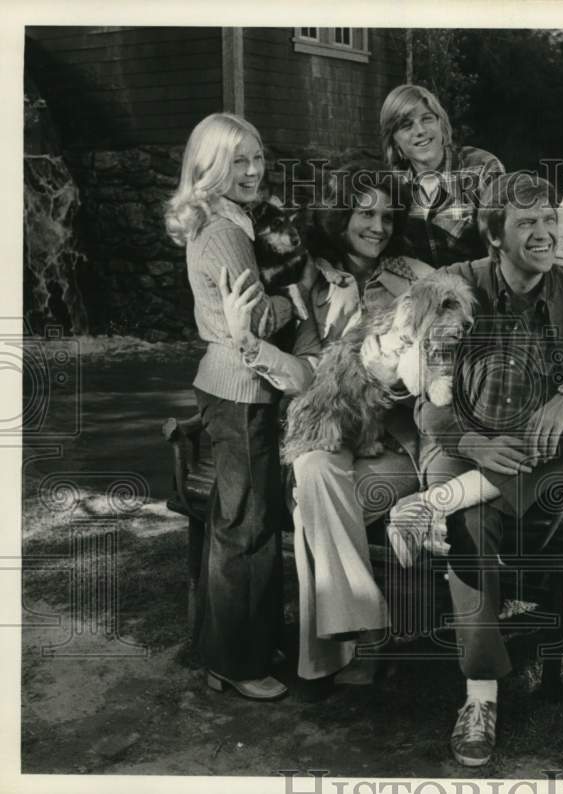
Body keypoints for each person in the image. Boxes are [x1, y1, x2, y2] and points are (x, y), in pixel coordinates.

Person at [413, 171, 563, 767]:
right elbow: (423, 403)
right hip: (467, 449)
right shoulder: (456, 287)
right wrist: (475, 444)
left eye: (549, 221)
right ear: (494, 234)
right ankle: (481, 696)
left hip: (542, 457)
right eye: (526, 224)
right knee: (473, 521)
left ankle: (462, 501)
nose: (544, 234)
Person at [219, 161, 434, 684]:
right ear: (341, 216)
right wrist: (253, 347)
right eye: (365, 213)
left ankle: (336, 654)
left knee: (314, 504)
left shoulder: (418, 277)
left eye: (387, 215)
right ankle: (363, 632)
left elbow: (443, 356)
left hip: (394, 446)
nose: (378, 227)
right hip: (332, 431)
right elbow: (307, 372)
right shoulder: (309, 278)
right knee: (313, 471)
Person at [165, 112, 309, 701]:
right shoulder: (225, 232)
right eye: (239, 161)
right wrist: (296, 300)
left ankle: (244, 641)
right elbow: (254, 325)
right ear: (211, 167)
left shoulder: (223, 217)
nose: (254, 170)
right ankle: (237, 664)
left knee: (245, 519)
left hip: (230, 382)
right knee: (244, 526)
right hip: (240, 386)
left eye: (257, 157)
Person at [379, 84, 504, 268]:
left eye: (427, 119)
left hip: (480, 287)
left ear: (441, 125)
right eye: (406, 125)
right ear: (394, 141)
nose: (420, 130)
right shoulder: (392, 182)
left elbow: (506, 247)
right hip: (418, 290)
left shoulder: (481, 168)